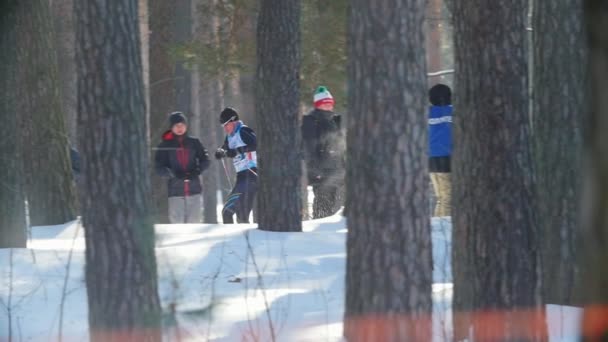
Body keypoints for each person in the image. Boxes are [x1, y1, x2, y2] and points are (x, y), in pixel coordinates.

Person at [155, 112, 210, 223]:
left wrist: (197, 171)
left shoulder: (194, 142)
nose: (180, 128)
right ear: (171, 128)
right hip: (175, 192)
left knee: (194, 225)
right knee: (177, 226)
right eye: (176, 126)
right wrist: (173, 174)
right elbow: (159, 168)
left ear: (186, 126)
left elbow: (205, 160)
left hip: (194, 190)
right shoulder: (164, 145)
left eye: (182, 125)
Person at [301, 86, 345, 219]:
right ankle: (319, 232)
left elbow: (338, 146)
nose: (328, 106)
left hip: (335, 171)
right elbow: (309, 148)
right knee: (323, 205)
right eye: (325, 103)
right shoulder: (312, 122)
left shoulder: (333, 121)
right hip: (322, 172)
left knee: (334, 208)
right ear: (318, 105)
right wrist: (315, 170)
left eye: (330, 103)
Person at [214, 107, 258, 224]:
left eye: (226, 124)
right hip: (241, 178)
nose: (225, 128)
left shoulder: (244, 131)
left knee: (227, 212)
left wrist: (238, 151)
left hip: (251, 175)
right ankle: (243, 241)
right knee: (242, 217)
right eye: (223, 126)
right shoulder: (230, 136)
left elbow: (255, 145)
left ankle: (233, 241)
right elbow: (225, 148)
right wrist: (220, 152)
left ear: (233, 121)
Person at [428, 84, 453, 217]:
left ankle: (438, 225)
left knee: (441, 198)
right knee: (448, 199)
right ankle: (443, 228)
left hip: (431, 160)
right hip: (447, 158)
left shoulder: (428, 113)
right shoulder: (452, 111)